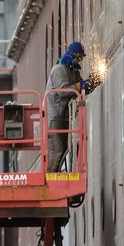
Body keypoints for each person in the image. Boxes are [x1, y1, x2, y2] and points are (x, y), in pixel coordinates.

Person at [45, 41, 94, 173]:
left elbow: (80, 86)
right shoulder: (59, 69)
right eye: (79, 58)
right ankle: (49, 183)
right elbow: (64, 91)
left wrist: (92, 83)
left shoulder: (72, 70)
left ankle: (54, 181)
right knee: (57, 152)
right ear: (73, 56)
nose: (80, 60)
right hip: (54, 117)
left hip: (63, 116)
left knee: (63, 150)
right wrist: (81, 86)